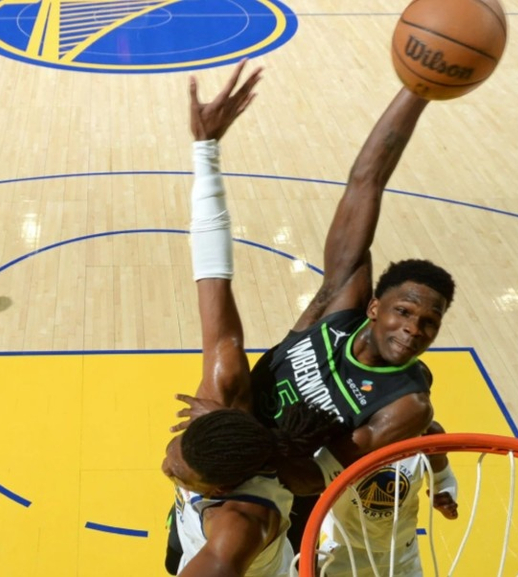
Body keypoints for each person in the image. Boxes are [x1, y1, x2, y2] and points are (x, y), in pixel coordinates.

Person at [174, 81, 460, 575]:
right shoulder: (337, 306)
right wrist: (418, 88)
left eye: (429, 324)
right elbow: (366, 180)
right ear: (374, 306)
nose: (414, 330)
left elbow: (315, 479)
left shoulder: (405, 405)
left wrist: (240, 435)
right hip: (224, 451)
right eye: (405, 312)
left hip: (281, 491)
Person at [161, 59, 342, 577]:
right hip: (189, 533)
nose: (167, 463)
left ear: (220, 489)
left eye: (179, 472)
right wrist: (205, 151)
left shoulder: (238, 523)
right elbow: (212, 275)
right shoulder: (224, 394)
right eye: (179, 453)